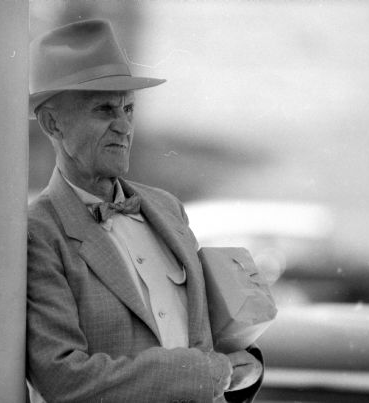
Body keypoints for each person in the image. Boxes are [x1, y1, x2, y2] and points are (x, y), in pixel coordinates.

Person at [26, 19, 263, 403]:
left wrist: (247, 366)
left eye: (129, 109)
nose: (124, 126)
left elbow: (208, 339)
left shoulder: (167, 209)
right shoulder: (38, 231)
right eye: (104, 110)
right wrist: (203, 375)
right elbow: (64, 379)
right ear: (54, 124)